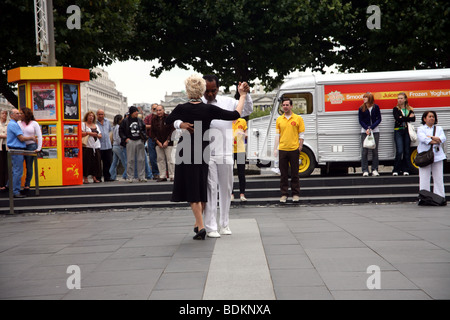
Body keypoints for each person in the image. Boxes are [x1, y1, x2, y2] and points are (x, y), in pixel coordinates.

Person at [165, 75, 247, 240]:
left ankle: (201, 225)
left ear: (187, 91)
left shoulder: (181, 107)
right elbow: (236, 114)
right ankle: (199, 223)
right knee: (202, 187)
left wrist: (180, 124)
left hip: (186, 148)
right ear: (202, 91)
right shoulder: (209, 109)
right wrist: (243, 96)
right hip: (204, 150)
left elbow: (168, 120)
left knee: (194, 187)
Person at [199, 75, 253, 238]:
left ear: (218, 88)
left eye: (213, 90)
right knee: (210, 189)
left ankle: (224, 224)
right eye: (207, 91)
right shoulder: (198, 103)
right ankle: (211, 226)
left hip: (225, 151)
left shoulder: (227, 102)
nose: (209, 94)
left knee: (226, 188)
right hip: (206, 152)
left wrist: (245, 94)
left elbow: (247, 110)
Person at [274, 98, 305, 203]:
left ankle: (295, 194)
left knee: (295, 173)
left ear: (291, 106)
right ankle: (284, 194)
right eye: (283, 105)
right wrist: (275, 148)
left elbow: (302, 134)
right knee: (283, 174)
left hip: (294, 149)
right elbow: (277, 135)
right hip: (282, 149)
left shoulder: (298, 118)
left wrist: (300, 146)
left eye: (287, 105)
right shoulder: (279, 119)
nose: (285, 106)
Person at [6, 108, 36, 198]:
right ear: (11, 115)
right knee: (18, 171)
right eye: (17, 113)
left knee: (15, 170)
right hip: (17, 149)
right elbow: (21, 138)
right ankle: (15, 191)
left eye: (19, 113)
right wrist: (32, 137)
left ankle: (9, 186)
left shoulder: (13, 124)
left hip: (15, 149)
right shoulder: (13, 124)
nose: (19, 115)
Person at [417, 111, 446, 199]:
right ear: (424, 119)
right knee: (424, 177)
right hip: (424, 156)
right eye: (429, 116)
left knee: (438, 178)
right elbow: (424, 139)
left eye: (433, 116)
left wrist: (431, 137)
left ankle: (439, 197)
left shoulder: (439, 128)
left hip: (437, 156)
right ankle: (424, 197)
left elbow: (443, 138)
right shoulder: (421, 129)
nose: (431, 118)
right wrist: (435, 140)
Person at [119, 106, 148, 183]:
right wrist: (125, 139)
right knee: (130, 160)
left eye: (137, 111)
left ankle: (141, 176)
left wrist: (143, 138)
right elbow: (121, 131)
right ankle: (130, 177)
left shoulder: (140, 120)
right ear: (132, 112)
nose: (137, 113)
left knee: (141, 159)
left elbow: (144, 129)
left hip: (139, 140)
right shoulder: (125, 121)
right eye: (135, 111)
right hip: (130, 141)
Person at [18, 108, 42, 193]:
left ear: (26, 114)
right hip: (20, 146)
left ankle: (27, 185)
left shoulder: (34, 123)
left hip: (31, 146)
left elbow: (39, 136)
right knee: (18, 166)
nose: (19, 115)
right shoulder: (18, 123)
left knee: (29, 166)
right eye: (19, 113)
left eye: (21, 113)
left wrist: (38, 148)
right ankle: (14, 184)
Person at [358, 93, 382, 177]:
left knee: (374, 150)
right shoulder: (361, 108)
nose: (364, 99)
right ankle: (365, 170)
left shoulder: (376, 107)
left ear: (370, 98)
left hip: (375, 131)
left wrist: (371, 128)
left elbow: (379, 119)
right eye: (363, 97)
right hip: (364, 132)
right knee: (364, 151)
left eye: (366, 97)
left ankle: (374, 169)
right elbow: (360, 120)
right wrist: (366, 128)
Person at [393, 92, 415, 176]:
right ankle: (396, 169)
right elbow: (397, 118)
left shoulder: (410, 108)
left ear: (405, 99)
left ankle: (406, 169)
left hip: (407, 131)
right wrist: (407, 118)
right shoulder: (396, 109)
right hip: (398, 130)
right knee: (399, 151)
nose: (399, 100)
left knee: (407, 150)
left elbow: (413, 119)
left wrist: (402, 118)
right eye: (398, 98)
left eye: (401, 98)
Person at [151, 105, 175, 182]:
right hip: (158, 143)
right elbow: (152, 132)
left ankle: (172, 176)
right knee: (160, 160)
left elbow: (172, 130)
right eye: (157, 110)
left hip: (168, 142)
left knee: (170, 160)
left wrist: (167, 141)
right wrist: (157, 141)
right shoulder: (154, 119)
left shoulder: (169, 118)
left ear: (163, 110)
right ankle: (162, 175)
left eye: (160, 110)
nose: (158, 112)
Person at [82, 111, 102, 184]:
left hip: (96, 146)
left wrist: (96, 135)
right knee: (86, 162)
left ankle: (95, 177)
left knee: (96, 162)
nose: (91, 117)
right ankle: (85, 178)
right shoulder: (83, 124)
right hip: (87, 145)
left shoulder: (96, 125)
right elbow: (80, 133)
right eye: (90, 116)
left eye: (92, 116)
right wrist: (89, 133)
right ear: (87, 116)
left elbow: (100, 135)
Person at [232, 117, 248, 201]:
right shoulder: (226, 121)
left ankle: (242, 194)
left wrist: (244, 134)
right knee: (229, 174)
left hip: (240, 150)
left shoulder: (242, 121)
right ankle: (231, 194)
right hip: (229, 151)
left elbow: (246, 134)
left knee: (241, 173)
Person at [96, 109, 114, 182]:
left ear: (104, 115)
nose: (101, 116)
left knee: (108, 162)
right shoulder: (95, 122)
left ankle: (107, 177)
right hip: (99, 146)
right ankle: (98, 177)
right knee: (98, 163)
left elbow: (109, 130)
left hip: (108, 145)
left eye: (102, 114)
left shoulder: (107, 122)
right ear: (97, 115)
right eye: (99, 114)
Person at [144, 104, 160, 180]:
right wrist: (152, 126)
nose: (156, 111)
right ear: (151, 109)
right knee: (152, 157)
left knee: (161, 157)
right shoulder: (148, 117)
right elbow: (143, 126)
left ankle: (162, 172)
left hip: (160, 139)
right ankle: (155, 173)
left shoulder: (162, 117)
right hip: (151, 139)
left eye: (157, 109)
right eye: (154, 109)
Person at [109, 114, 127, 181]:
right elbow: (118, 137)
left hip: (114, 146)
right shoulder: (118, 127)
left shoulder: (114, 127)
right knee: (125, 161)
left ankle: (112, 175)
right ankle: (126, 175)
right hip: (119, 146)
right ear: (119, 120)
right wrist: (121, 145)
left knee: (114, 162)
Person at [0, 109, 9, 192]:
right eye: (3, 113)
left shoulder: (9, 123)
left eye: (6, 113)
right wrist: (4, 136)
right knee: (0, 165)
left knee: (6, 165)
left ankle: (6, 184)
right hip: (0, 147)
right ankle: (1, 184)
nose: (4, 115)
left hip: (6, 147)